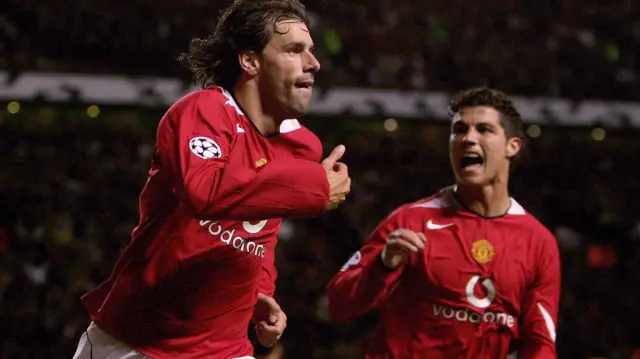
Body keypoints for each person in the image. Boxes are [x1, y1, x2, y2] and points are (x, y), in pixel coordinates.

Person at [73, 1, 351, 358]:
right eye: (295, 50)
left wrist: (260, 294)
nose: (314, 63)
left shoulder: (302, 145)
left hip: (225, 349)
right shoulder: (203, 111)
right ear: (249, 61)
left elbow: (260, 237)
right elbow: (204, 191)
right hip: (137, 341)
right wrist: (313, 186)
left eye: (311, 51)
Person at [325, 87, 560, 359]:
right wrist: (383, 264)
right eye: (459, 129)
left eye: (484, 129)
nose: (468, 138)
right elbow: (336, 303)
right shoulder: (411, 221)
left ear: (512, 146)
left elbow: (539, 344)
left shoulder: (539, 243)